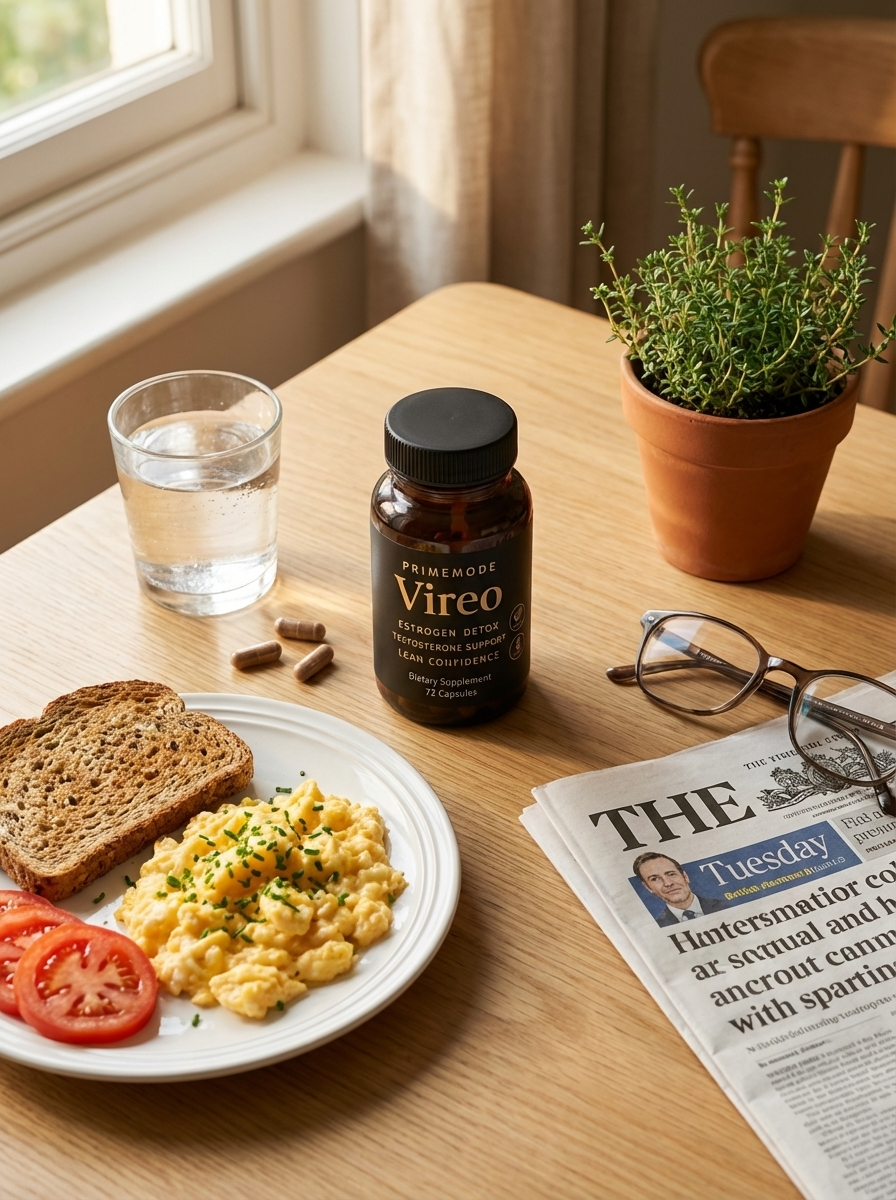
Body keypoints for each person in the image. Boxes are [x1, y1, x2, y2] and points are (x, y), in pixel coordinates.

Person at [632, 851, 728, 927]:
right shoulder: (660, 926)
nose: (668, 883)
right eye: (655, 879)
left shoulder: (725, 905)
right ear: (648, 887)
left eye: (671, 874)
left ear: (685, 876)